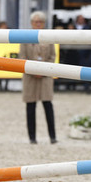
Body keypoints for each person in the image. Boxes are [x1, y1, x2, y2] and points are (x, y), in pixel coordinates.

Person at [20, 11, 57, 144]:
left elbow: (53, 56)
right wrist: (33, 71)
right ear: (31, 23)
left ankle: (52, 136)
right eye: (36, 22)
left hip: (45, 76)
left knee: (48, 105)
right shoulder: (25, 37)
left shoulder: (49, 37)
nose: (38, 24)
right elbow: (22, 57)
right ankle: (32, 137)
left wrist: (44, 70)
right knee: (30, 107)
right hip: (30, 77)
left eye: (41, 22)